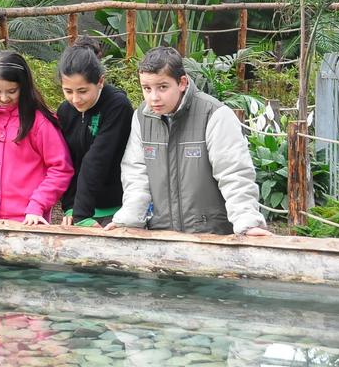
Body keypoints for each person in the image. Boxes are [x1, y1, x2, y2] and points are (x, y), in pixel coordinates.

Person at [105, 46, 270, 235]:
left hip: (212, 236)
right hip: (161, 235)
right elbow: (136, 175)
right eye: (147, 88)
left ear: (182, 83)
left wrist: (248, 224)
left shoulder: (214, 114)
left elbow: (234, 174)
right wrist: (129, 220)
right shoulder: (142, 117)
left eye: (162, 87)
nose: (154, 97)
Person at [0, 51, 73, 225]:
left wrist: (37, 205)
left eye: (12, 91)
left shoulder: (38, 121)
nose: (4, 98)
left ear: (23, 86)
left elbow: (60, 168)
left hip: (28, 221)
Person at [56, 36, 134, 226]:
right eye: (68, 91)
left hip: (116, 209)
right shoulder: (65, 111)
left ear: (100, 81)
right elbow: (67, 161)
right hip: (79, 209)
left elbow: (97, 159)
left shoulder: (117, 106)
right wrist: (71, 207)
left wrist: (81, 214)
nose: (75, 99)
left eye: (82, 91)